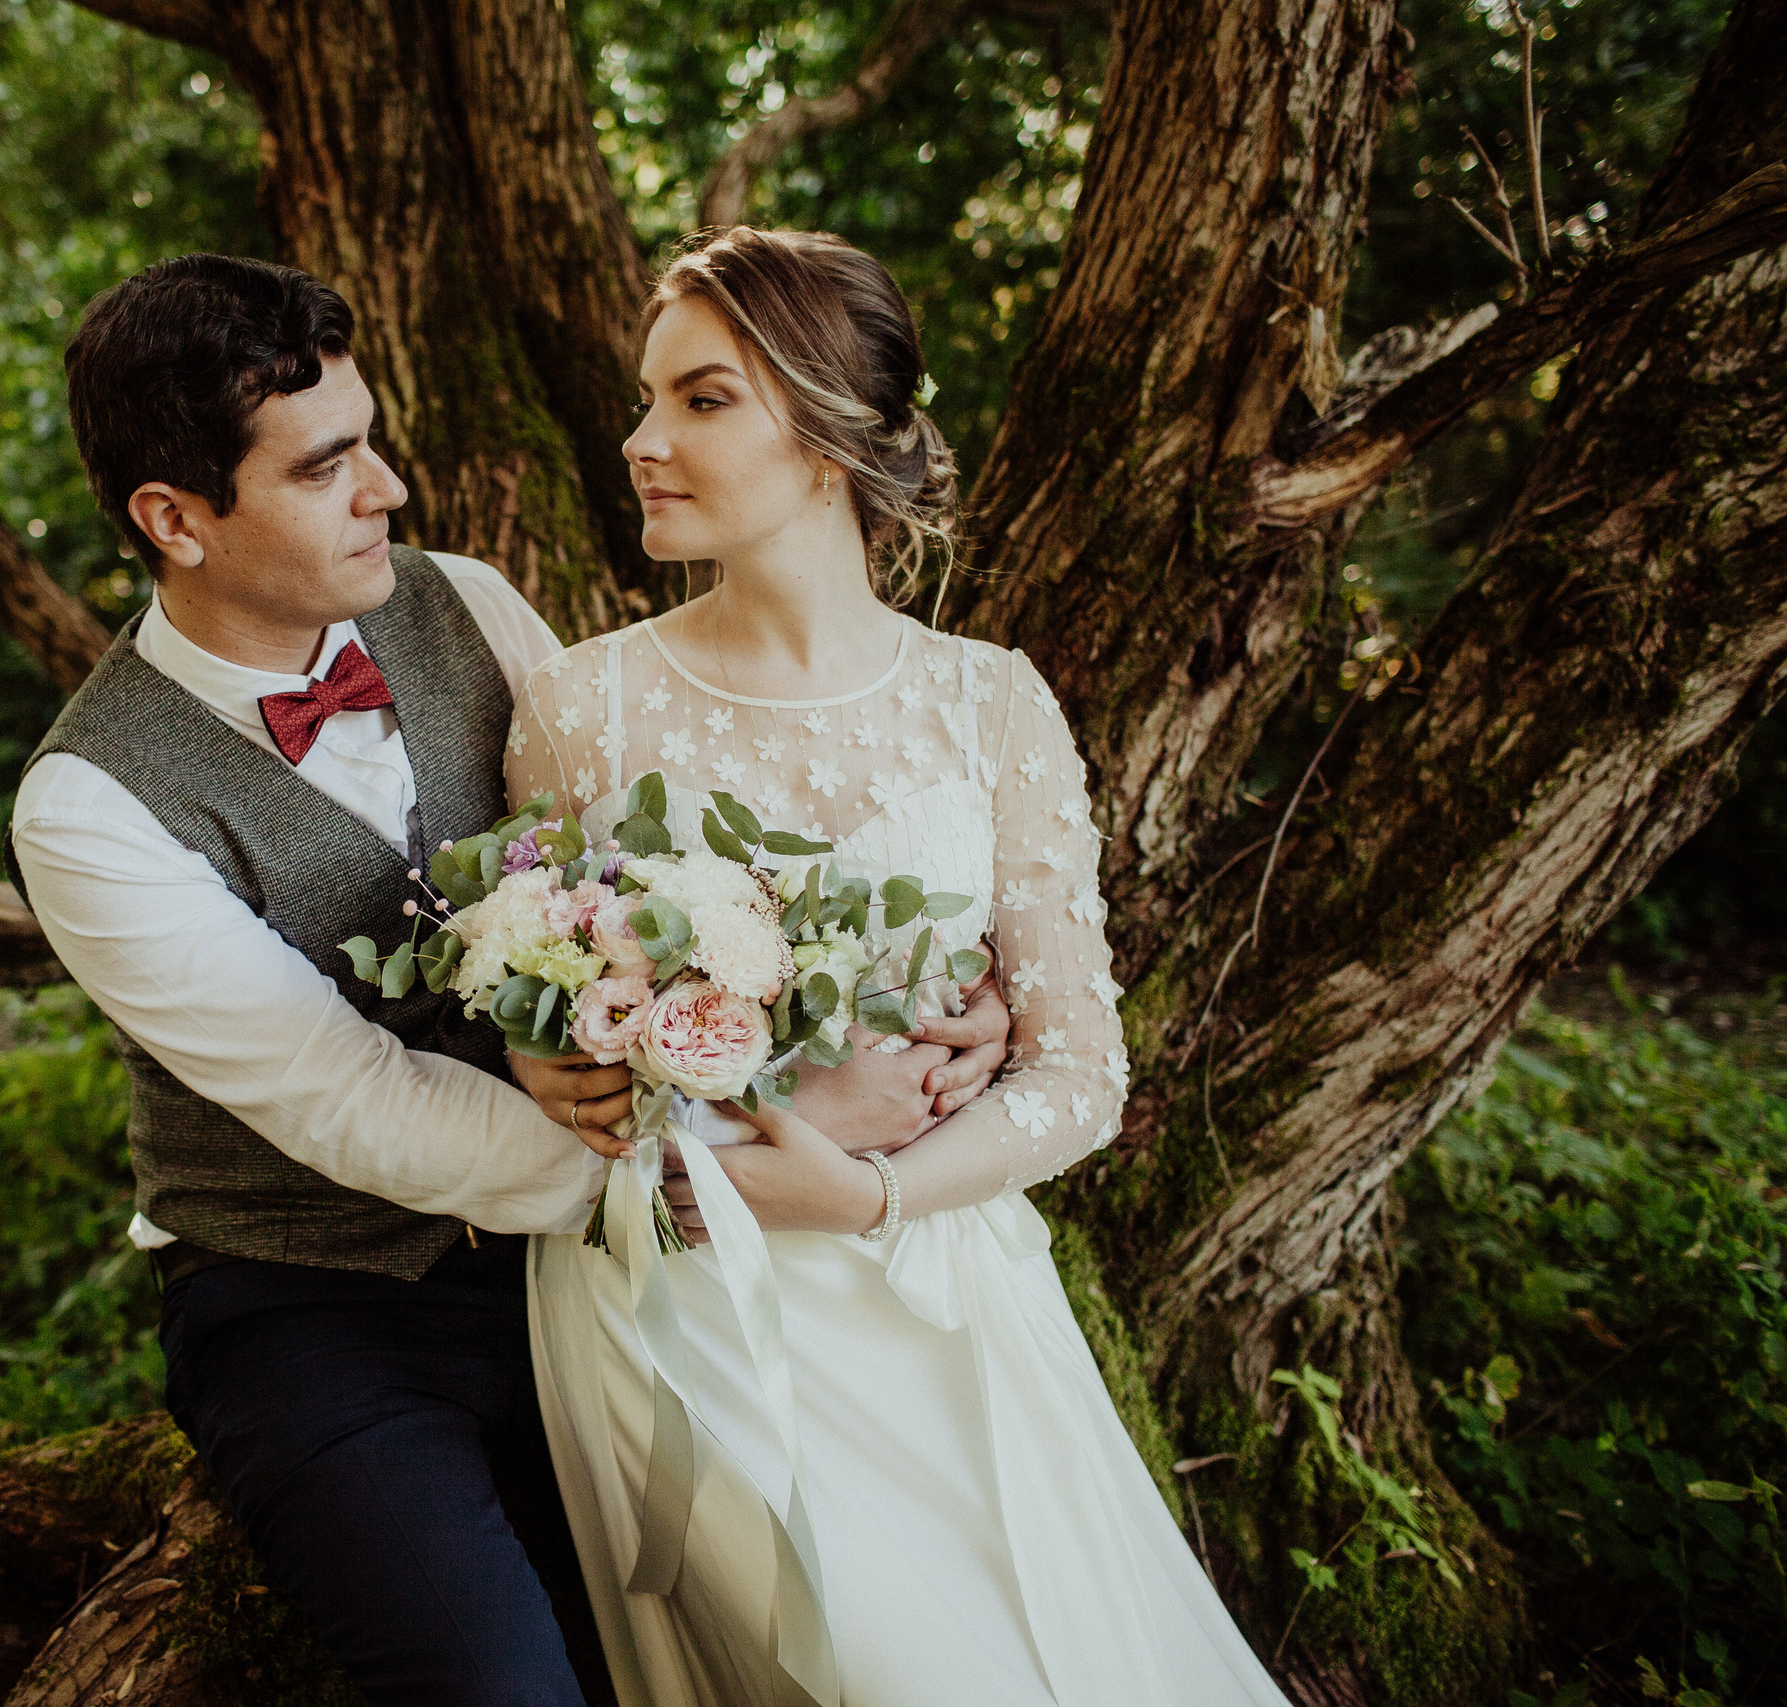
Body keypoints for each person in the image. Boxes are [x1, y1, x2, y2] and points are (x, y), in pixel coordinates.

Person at [3, 252, 1007, 1707]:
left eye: (373, 439)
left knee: (809, 1618)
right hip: (315, 1304)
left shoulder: (466, 604)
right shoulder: (90, 806)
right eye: (327, 466)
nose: (389, 490)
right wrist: (735, 1159)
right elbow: (357, 1103)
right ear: (177, 520)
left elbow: (657, 870)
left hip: (587, 1263)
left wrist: (913, 1002)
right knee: (496, 1684)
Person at [509, 227, 1297, 1707]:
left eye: (700, 399)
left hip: (949, 1287)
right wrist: (551, 1060)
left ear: (826, 438)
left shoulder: (991, 705)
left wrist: (872, 1189)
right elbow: (553, 1011)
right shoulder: (581, 706)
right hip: (690, 1294)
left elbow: (1084, 1075)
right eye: (647, 398)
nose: (640, 440)